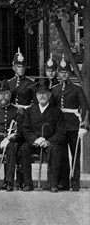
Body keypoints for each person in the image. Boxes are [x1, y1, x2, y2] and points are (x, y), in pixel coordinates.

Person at [19, 78, 66, 192]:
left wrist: (48, 141)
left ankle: (53, 184)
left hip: (49, 143)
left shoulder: (56, 112)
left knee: (55, 150)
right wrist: (35, 140)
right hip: (34, 143)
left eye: (45, 93)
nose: (42, 96)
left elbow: (61, 132)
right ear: (36, 95)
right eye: (39, 93)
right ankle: (27, 183)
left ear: (49, 94)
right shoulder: (30, 111)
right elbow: (25, 129)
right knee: (24, 148)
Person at [51, 56, 89, 191]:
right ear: (58, 73)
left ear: (70, 73)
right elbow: (51, 110)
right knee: (62, 156)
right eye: (61, 72)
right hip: (60, 127)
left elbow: (85, 108)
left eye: (66, 72)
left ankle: (75, 182)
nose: (63, 75)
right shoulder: (54, 90)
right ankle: (64, 182)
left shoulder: (77, 89)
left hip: (73, 126)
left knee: (75, 155)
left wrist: (84, 126)